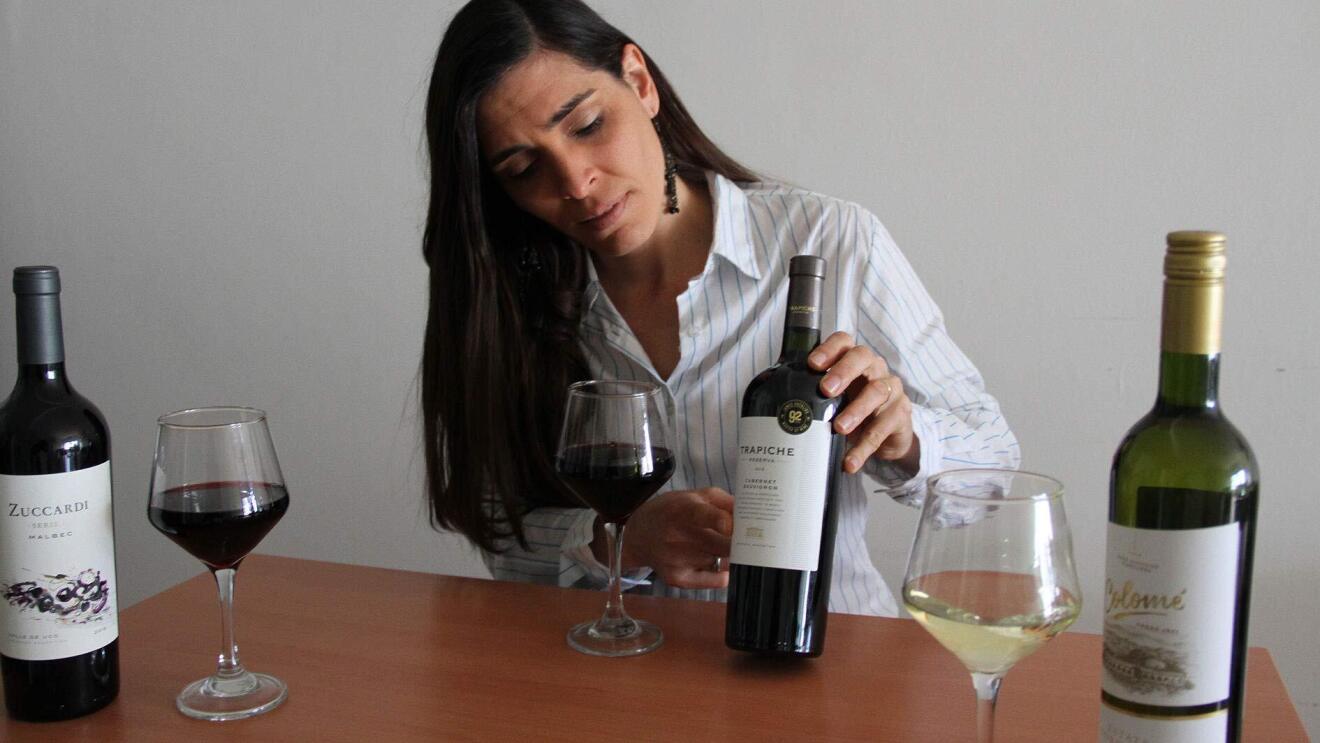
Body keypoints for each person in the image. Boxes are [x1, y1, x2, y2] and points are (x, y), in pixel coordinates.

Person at [419, 0, 1018, 617]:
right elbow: (501, 537)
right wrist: (615, 543)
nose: (574, 181)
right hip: (627, 682)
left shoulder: (833, 241)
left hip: (829, 667)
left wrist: (906, 436)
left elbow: (995, 467)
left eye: (587, 125)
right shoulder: (511, 300)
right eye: (523, 168)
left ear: (640, 83)